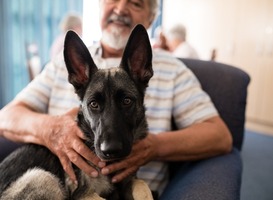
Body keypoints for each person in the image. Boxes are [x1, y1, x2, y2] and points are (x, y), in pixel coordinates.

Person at [0, 0, 237, 199]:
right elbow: (6, 117)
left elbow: (220, 137)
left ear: (151, 18)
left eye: (135, 3)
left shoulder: (174, 70)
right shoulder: (63, 65)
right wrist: (50, 129)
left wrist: (153, 147)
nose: (121, 8)